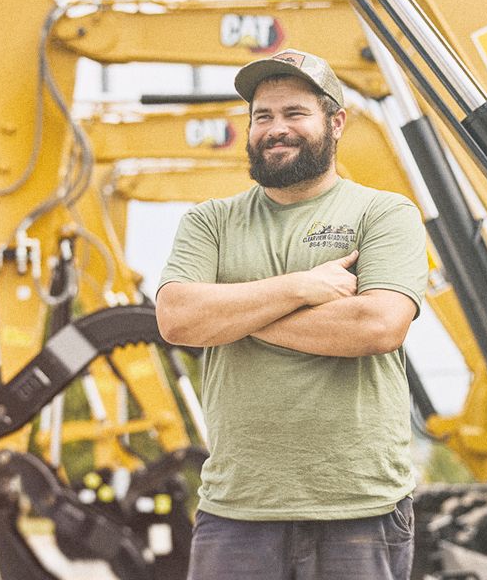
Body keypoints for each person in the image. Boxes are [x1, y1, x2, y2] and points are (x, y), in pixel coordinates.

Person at [155, 48, 428, 580]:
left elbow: (377, 326)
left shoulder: (383, 212)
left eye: (294, 113)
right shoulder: (209, 222)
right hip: (239, 508)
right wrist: (303, 286)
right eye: (263, 116)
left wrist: (236, 313)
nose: (275, 129)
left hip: (359, 506)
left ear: (336, 122)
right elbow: (178, 320)